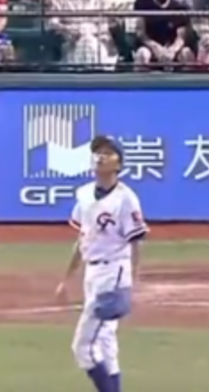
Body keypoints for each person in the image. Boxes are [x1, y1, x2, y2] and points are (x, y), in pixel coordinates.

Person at [55, 135, 147, 392]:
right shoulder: (84, 194)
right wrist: (66, 279)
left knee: (82, 348)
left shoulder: (126, 199)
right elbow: (82, 238)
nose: (100, 156)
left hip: (114, 272)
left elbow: (136, 242)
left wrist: (131, 283)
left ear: (119, 164)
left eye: (107, 153)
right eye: (97, 152)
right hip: (92, 272)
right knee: (105, 340)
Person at [133, 0, 194, 69]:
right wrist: (155, 47)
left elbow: (181, 36)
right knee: (142, 54)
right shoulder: (142, 3)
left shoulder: (180, 7)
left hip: (173, 48)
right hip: (150, 47)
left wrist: (172, 50)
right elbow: (140, 33)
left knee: (187, 54)